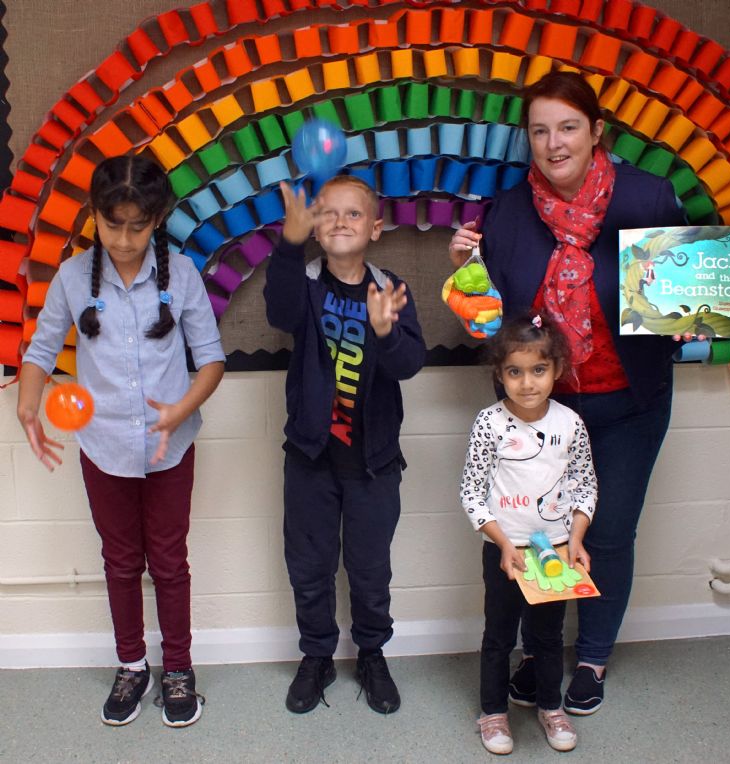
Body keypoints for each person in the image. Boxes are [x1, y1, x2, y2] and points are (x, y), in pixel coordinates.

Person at [449, 70, 686, 716]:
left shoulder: (648, 197)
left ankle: (591, 658)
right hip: (541, 412)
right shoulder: (505, 214)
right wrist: (465, 271)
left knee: (608, 533)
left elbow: (688, 301)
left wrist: (697, 308)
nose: (554, 144)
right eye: (540, 131)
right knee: (541, 534)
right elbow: (490, 325)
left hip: (628, 403)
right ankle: (541, 654)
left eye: (569, 127)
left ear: (597, 132)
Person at [17, 155, 225, 727]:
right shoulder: (70, 277)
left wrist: (181, 407)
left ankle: (178, 669)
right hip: (102, 449)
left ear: (157, 218)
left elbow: (210, 360)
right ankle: (131, 664)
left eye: (139, 225)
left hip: (171, 447)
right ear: (95, 217)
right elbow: (39, 353)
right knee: (119, 560)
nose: (126, 239)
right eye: (114, 226)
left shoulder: (180, 274)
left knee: (168, 561)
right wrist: (28, 403)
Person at [265, 175, 426, 715]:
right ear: (314, 228)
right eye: (327, 213)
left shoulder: (390, 288)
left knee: (369, 567)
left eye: (353, 214)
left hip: (373, 465)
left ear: (376, 228)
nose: (339, 221)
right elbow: (278, 313)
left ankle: (373, 653)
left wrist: (384, 331)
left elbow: (408, 365)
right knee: (308, 567)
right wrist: (288, 242)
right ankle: (316, 656)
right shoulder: (305, 283)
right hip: (311, 460)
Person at [461, 314, 597, 754]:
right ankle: (493, 714)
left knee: (547, 637)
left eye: (538, 370)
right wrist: (502, 543)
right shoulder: (490, 422)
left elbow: (584, 485)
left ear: (556, 369)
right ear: (499, 375)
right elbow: (471, 492)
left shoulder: (571, 423)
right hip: (505, 550)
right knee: (499, 635)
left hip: (553, 551)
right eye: (514, 372)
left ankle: (550, 706)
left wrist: (575, 539)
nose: (527, 383)